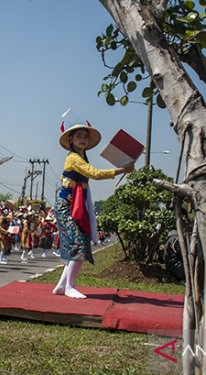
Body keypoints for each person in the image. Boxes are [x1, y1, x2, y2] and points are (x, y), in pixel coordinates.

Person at [53, 122, 133, 299]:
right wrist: (122, 170)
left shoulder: (81, 157)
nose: (83, 139)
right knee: (79, 245)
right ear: (71, 140)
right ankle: (69, 286)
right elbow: (95, 174)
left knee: (79, 244)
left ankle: (61, 286)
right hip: (67, 205)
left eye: (85, 136)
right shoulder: (73, 158)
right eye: (79, 136)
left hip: (76, 203)